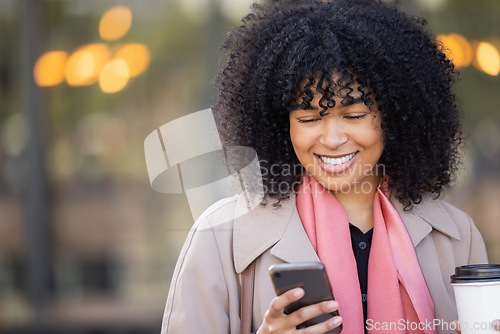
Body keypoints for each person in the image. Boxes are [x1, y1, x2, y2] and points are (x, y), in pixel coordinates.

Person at [160, 0, 495, 333]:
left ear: (396, 114)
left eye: (354, 115)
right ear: (281, 124)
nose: (332, 139)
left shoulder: (456, 235)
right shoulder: (221, 236)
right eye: (308, 118)